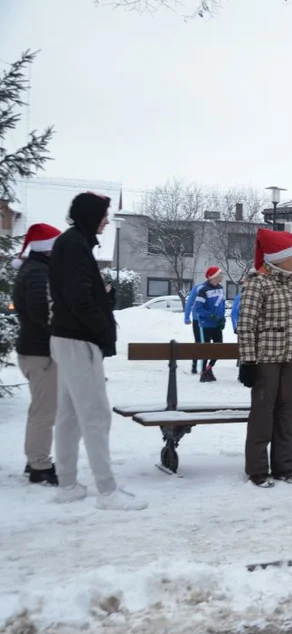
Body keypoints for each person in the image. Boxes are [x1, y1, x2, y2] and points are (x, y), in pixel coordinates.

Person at [50, 193, 146, 510]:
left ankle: (67, 485)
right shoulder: (76, 245)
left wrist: (101, 299)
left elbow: (77, 293)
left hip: (67, 338)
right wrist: (101, 326)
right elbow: (78, 299)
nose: (107, 220)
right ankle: (107, 491)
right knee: (95, 415)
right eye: (104, 215)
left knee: (70, 415)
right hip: (79, 341)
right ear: (91, 216)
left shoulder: (72, 243)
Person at [236, 228, 292, 488]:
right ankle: (257, 469)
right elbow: (246, 325)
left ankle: (283, 466)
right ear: (278, 257)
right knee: (263, 414)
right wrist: (248, 362)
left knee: (287, 413)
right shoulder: (257, 283)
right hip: (266, 359)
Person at [12, 223, 62, 486]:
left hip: (36, 350)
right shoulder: (38, 273)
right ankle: (39, 466)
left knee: (42, 410)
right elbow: (41, 310)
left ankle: (35, 458)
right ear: (49, 248)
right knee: (44, 412)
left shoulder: (36, 269)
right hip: (41, 352)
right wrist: (62, 331)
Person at [193, 266, 227, 382]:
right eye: (220, 274)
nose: (222, 276)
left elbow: (222, 305)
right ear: (213, 276)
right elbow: (198, 308)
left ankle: (209, 368)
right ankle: (203, 372)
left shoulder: (221, 288)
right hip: (206, 324)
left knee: (219, 349)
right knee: (206, 350)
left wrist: (222, 319)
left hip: (217, 324)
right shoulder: (203, 290)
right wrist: (211, 316)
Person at [183, 277, 205, 374]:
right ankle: (195, 365)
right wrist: (187, 317)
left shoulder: (214, 288)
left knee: (202, 342)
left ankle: (201, 366)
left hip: (206, 319)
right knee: (199, 342)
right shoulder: (198, 288)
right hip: (198, 319)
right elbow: (189, 303)